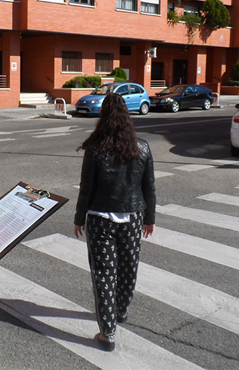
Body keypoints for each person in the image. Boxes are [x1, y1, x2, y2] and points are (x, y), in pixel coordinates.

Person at [73, 93, 156, 352]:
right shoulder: (141, 147)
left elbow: (86, 187)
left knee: (104, 274)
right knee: (129, 266)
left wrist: (79, 218)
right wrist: (150, 218)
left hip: (99, 218)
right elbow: (149, 187)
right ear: (127, 116)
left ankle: (108, 332)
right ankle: (121, 309)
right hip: (133, 218)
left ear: (103, 116)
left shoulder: (95, 148)